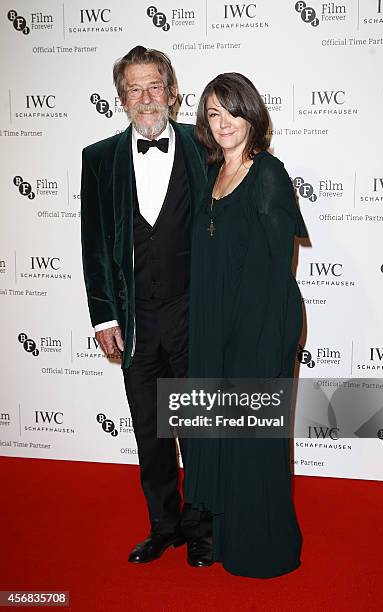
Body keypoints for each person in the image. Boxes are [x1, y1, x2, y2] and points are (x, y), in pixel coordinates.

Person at [80, 46, 212, 567]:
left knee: (200, 429)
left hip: (194, 313)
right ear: (121, 99)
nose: (145, 97)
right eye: (133, 88)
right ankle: (164, 526)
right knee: (151, 431)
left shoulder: (204, 145)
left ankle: (203, 527)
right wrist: (104, 315)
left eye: (154, 85)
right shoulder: (99, 158)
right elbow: (94, 243)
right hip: (135, 320)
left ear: (173, 92)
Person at [183, 72, 308, 578]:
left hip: (259, 330)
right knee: (225, 440)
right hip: (217, 330)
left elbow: (280, 267)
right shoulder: (212, 174)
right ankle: (231, 539)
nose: (223, 123)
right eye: (212, 114)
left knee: (254, 444)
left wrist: (257, 338)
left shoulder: (268, 173)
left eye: (231, 110)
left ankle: (266, 549)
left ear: (251, 114)